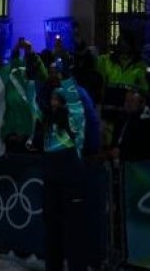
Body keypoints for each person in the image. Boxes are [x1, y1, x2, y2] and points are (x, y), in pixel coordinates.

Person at [36, 56, 90, 271]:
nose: (54, 103)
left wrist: (66, 78)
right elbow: (33, 102)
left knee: (75, 234)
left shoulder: (75, 125)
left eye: (58, 100)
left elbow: (76, 103)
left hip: (72, 187)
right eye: (52, 100)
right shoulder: (49, 127)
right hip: (51, 187)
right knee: (52, 236)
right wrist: (34, 78)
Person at [109, 88, 150, 162]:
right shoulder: (122, 119)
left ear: (142, 103)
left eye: (132, 101)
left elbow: (145, 151)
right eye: (126, 101)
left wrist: (121, 153)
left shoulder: (148, 125)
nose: (128, 104)